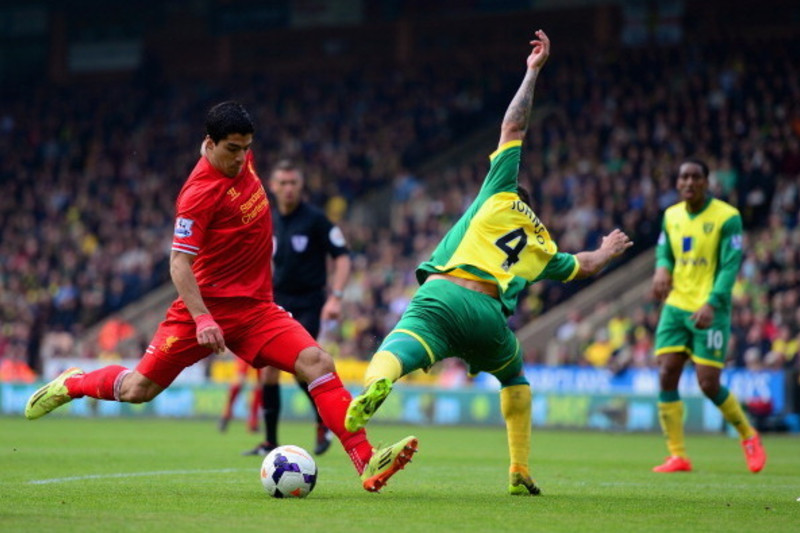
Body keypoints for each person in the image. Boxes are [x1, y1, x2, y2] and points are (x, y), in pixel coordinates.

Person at [24, 101, 417, 493]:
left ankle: (366, 460)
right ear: (209, 144)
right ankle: (73, 384)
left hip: (257, 311)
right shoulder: (198, 194)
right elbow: (179, 264)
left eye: (247, 148)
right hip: (202, 312)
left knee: (316, 361)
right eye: (232, 149)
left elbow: (242, 152)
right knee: (137, 390)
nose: (242, 157)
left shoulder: (241, 157)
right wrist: (202, 319)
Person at [344, 30, 634, 496]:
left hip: (443, 295)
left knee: (394, 351)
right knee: (514, 377)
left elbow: (514, 126)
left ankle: (379, 384)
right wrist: (607, 249)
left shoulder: (497, 195)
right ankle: (519, 471)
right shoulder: (542, 246)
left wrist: (532, 71)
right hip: (489, 318)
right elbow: (584, 266)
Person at [650, 158, 766, 473]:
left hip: (710, 307)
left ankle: (748, 434)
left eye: (695, 177)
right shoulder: (670, 216)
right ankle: (677, 454)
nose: (688, 182)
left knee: (708, 383)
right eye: (683, 177)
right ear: (677, 183)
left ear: (706, 182)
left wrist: (713, 302)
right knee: (666, 372)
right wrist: (662, 267)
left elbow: (730, 265)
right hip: (676, 305)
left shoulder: (728, 217)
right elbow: (665, 250)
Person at [242, 159, 352, 457]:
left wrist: (336, 296)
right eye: (283, 183)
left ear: (300, 186)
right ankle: (270, 442)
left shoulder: (316, 220)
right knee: (268, 372)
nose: (288, 189)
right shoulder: (266, 218)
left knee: (300, 369)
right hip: (274, 301)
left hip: (309, 302)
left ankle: (321, 421)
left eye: (293, 183)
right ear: (273, 186)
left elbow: (342, 257)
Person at [218, 357, 262, 433]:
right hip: (246, 348)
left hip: (260, 350)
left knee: (260, 383)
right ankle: (226, 413)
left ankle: (253, 421)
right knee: (240, 380)